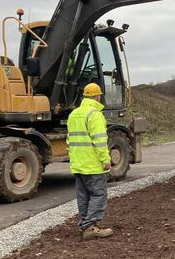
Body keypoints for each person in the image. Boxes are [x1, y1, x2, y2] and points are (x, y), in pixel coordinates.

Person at [68, 83, 113, 240]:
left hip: (78, 164)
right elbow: (100, 140)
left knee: (83, 196)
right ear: (98, 97)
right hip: (93, 165)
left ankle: (85, 224)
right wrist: (105, 159)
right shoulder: (95, 114)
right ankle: (90, 227)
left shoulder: (73, 114)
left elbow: (69, 140)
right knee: (98, 194)